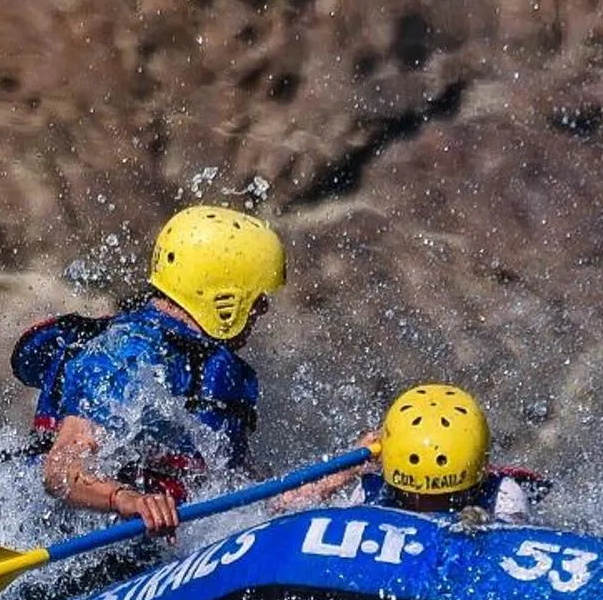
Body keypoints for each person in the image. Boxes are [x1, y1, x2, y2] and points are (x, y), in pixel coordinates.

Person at [33, 204, 285, 540]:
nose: (264, 308)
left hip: (158, 550)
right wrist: (127, 500)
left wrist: (346, 471)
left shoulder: (218, 371)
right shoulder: (127, 356)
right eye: (258, 297)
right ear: (222, 295)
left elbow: (252, 496)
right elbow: (61, 471)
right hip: (68, 542)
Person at [271, 384, 543, 523]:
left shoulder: (504, 496)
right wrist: (348, 469)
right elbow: (280, 508)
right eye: (411, 496)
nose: (427, 508)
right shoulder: (370, 491)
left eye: (448, 498)